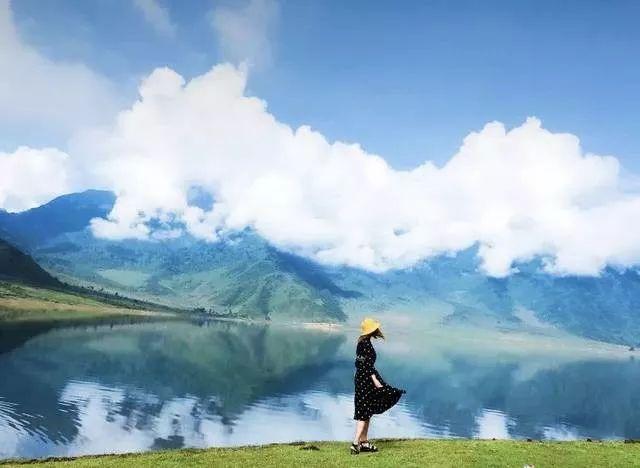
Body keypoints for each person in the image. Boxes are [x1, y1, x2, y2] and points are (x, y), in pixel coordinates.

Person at [351, 317, 405, 455]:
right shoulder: (366, 345)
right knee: (364, 412)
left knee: (366, 410)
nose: (377, 329)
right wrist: (375, 379)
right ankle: (355, 443)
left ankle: (364, 442)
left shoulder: (361, 342)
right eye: (375, 328)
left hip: (361, 378)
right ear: (372, 330)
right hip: (367, 379)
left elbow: (359, 364)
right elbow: (366, 365)